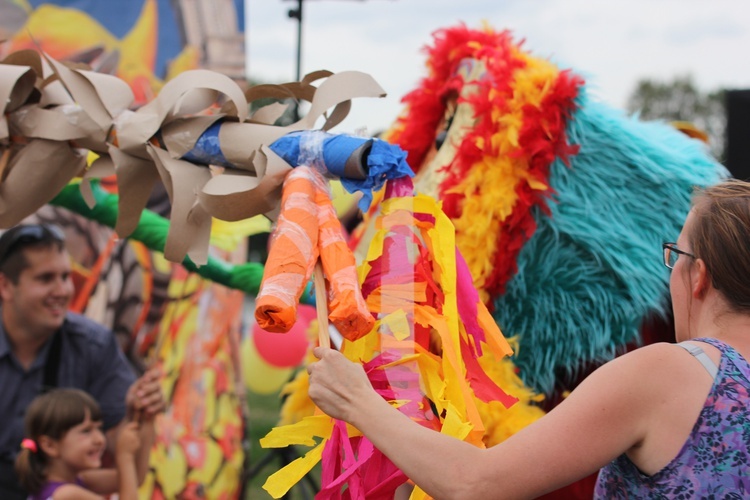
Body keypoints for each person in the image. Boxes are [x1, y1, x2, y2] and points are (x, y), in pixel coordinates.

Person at [307, 178, 750, 498]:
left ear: (699, 276)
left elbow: (476, 483)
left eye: (675, 255)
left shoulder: (668, 373)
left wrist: (356, 401)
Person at [0, 223, 165, 499]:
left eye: (65, 276)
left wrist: (143, 414)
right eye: (45, 278)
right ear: (5, 285)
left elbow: (129, 465)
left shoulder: (93, 346)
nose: (63, 290)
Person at [14, 388, 154, 500]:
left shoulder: (80, 479)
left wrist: (147, 419)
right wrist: (125, 457)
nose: (99, 439)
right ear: (50, 446)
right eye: (86, 431)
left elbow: (135, 478)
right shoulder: (66, 495)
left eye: (99, 428)